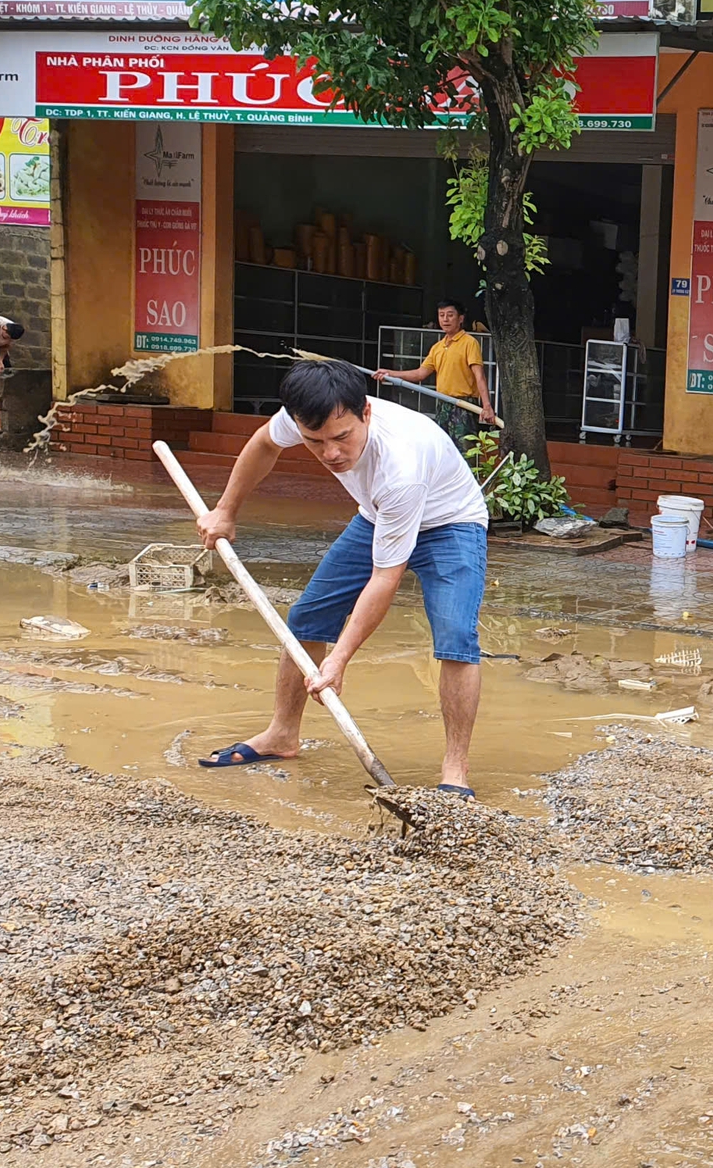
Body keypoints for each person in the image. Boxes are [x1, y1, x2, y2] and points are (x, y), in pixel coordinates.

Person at [193, 357, 491, 797]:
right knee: (307, 618)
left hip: (450, 523)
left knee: (455, 639)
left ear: (365, 412)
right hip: (377, 516)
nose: (331, 453)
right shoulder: (306, 414)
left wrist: (339, 660)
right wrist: (225, 511)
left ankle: (455, 770)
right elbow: (262, 445)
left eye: (342, 438)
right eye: (315, 442)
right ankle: (282, 734)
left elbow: (384, 579)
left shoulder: (401, 466)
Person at [375, 299, 498, 444]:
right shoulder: (437, 347)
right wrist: (390, 374)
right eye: (441, 315)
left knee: (466, 450)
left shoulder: (469, 343)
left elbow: (480, 376)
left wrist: (487, 406)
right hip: (443, 404)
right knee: (443, 448)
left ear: (460, 318)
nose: (445, 319)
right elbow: (420, 374)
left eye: (450, 315)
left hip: (464, 405)